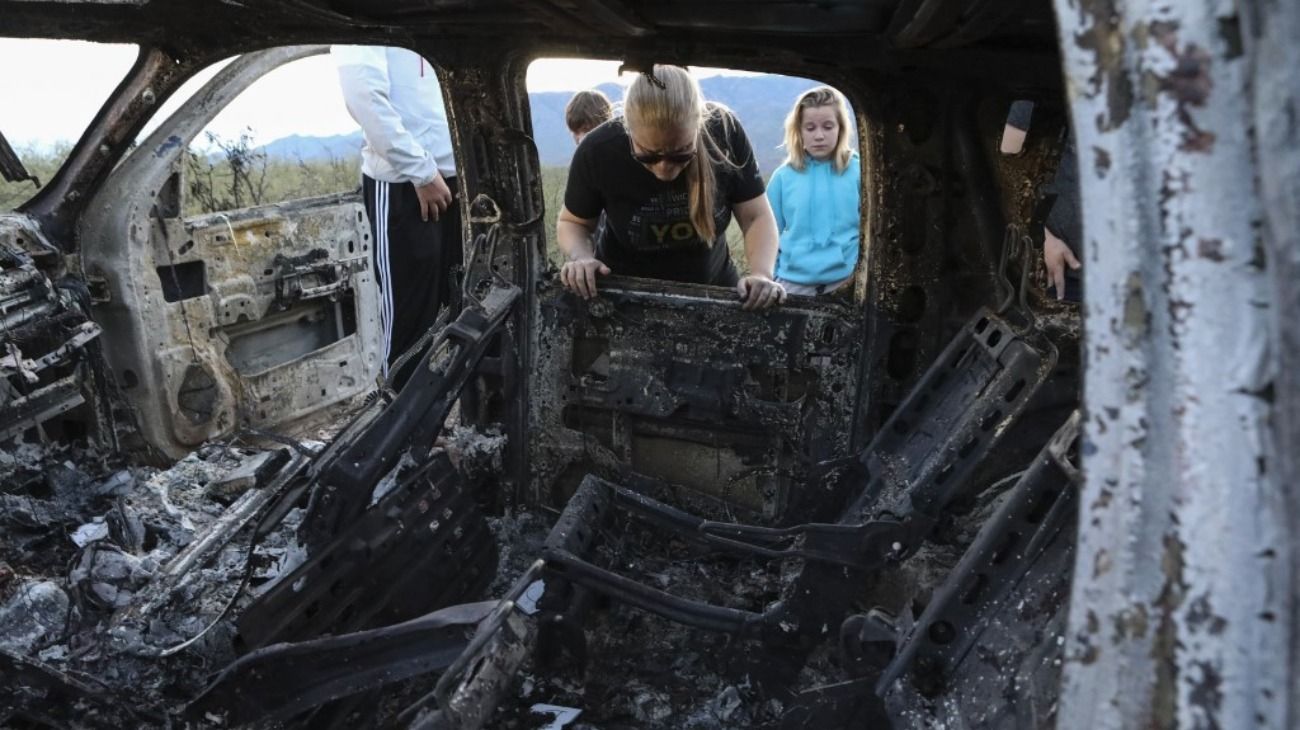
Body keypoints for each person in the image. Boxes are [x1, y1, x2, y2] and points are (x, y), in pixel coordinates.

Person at [556, 65, 785, 310]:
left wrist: (761, 273)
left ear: (698, 125)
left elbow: (755, 216)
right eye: (648, 156)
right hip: (624, 297)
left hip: (712, 291)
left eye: (680, 154)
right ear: (628, 130)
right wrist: (582, 258)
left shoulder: (724, 133)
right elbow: (573, 223)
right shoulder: (598, 150)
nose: (664, 170)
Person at [332, 45, 462, 387]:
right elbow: (364, 95)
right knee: (411, 317)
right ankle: (405, 431)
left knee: (468, 304)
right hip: (406, 182)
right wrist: (419, 172)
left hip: (458, 172)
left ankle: (471, 425)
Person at [766, 86, 861, 296]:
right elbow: (768, 233)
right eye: (810, 128)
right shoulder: (783, 177)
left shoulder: (858, 171)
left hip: (848, 280)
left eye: (828, 127)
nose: (819, 136)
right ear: (798, 131)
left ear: (841, 128)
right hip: (793, 283)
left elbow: (872, 229)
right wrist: (770, 278)